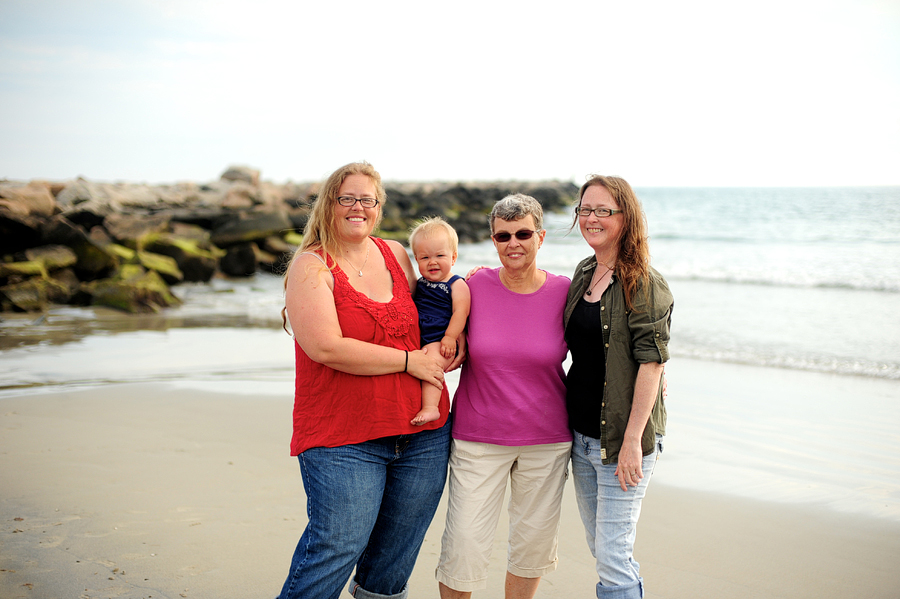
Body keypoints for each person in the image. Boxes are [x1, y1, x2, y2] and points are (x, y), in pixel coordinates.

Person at [277, 161, 458, 599]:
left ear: (378, 207)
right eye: (347, 198)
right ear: (329, 205)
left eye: (368, 200)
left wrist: (456, 340)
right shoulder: (310, 267)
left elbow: (430, 314)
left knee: (394, 558)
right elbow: (326, 347)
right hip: (344, 437)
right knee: (336, 546)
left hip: (422, 433)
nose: (358, 207)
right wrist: (410, 362)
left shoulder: (395, 253)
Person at [435, 194, 572, 599]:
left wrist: (657, 370)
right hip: (477, 439)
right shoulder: (473, 285)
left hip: (546, 440)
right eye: (503, 235)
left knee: (532, 546)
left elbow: (603, 349)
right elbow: (431, 325)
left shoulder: (565, 291)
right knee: (463, 546)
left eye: (523, 233)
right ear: (493, 240)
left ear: (541, 237)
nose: (514, 242)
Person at [564, 175, 673, 599]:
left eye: (602, 210)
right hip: (582, 436)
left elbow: (652, 361)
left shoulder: (644, 281)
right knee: (604, 549)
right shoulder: (586, 270)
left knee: (612, 556)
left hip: (622, 442)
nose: (591, 218)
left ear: (626, 218)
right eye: (584, 210)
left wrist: (632, 441)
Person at [408, 217, 471, 426]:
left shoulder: (457, 284)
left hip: (440, 339)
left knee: (431, 365)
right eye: (424, 257)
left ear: (453, 257)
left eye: (439, 255)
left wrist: (450, 337)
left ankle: (431, 408)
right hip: (421, 338)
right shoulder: (420, 283)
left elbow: (460, 313)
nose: (432, 262)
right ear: (416, 260)